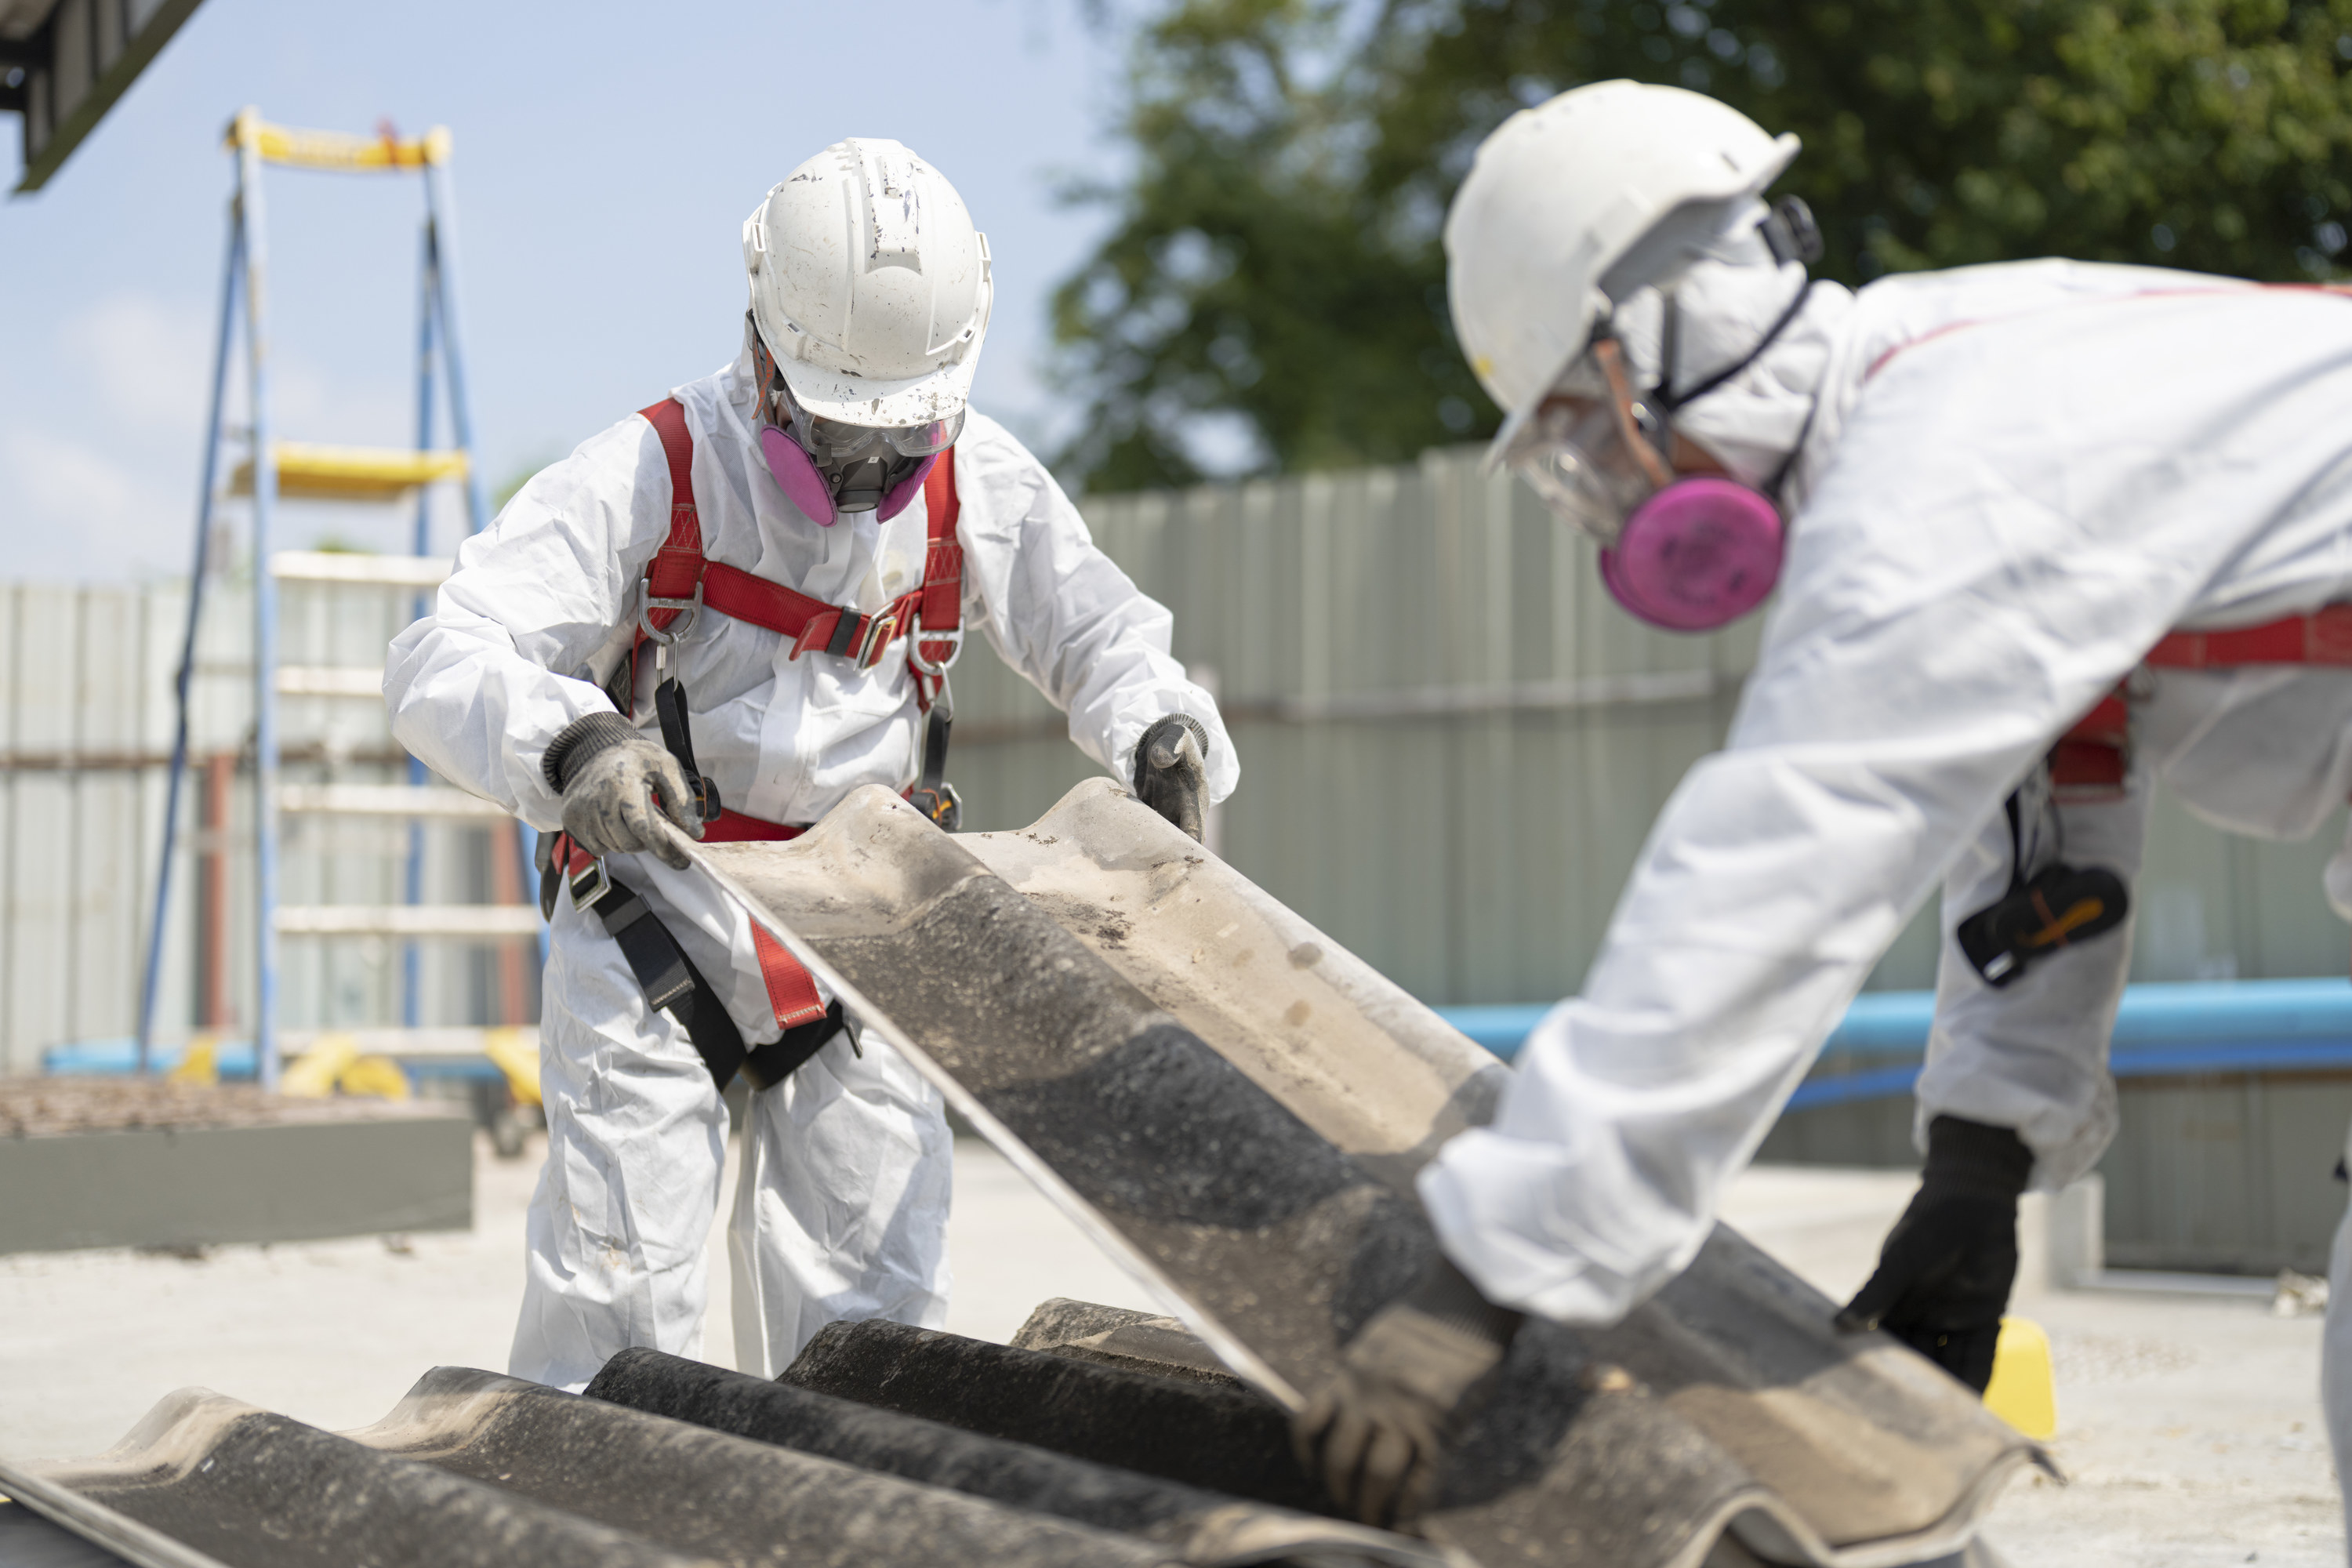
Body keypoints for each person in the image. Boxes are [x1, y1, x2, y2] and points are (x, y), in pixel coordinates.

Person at [1294, 78, 2352, 1530]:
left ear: (1657, 333)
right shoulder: (1938, 393)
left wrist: (1491, 1276)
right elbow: (2056, 819)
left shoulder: (1951, 462)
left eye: (1587, 442)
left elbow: (1777, 867)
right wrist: (1979, 1171)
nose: (1610, 497)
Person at [387, 138, 1235, 1392]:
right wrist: (569, 743)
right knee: (621, 1305)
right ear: (762, 350)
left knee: (877, 1323)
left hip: (868, 933)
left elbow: (1106, 637)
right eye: (841, 440)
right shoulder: (659, 467)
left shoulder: (972, 478)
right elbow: (440, 652)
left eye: (900, 447)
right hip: (657, 909)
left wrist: (1162, 736)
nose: (868, 484)